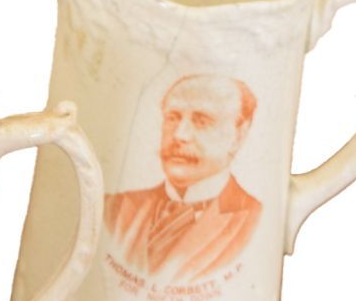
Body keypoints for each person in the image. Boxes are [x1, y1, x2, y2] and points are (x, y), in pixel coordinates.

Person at [103, 74, 263, 282]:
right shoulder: (115, 208)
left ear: (239, 135)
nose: (180, 135)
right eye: (173, 118)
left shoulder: (256, 218)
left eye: (202, 121)